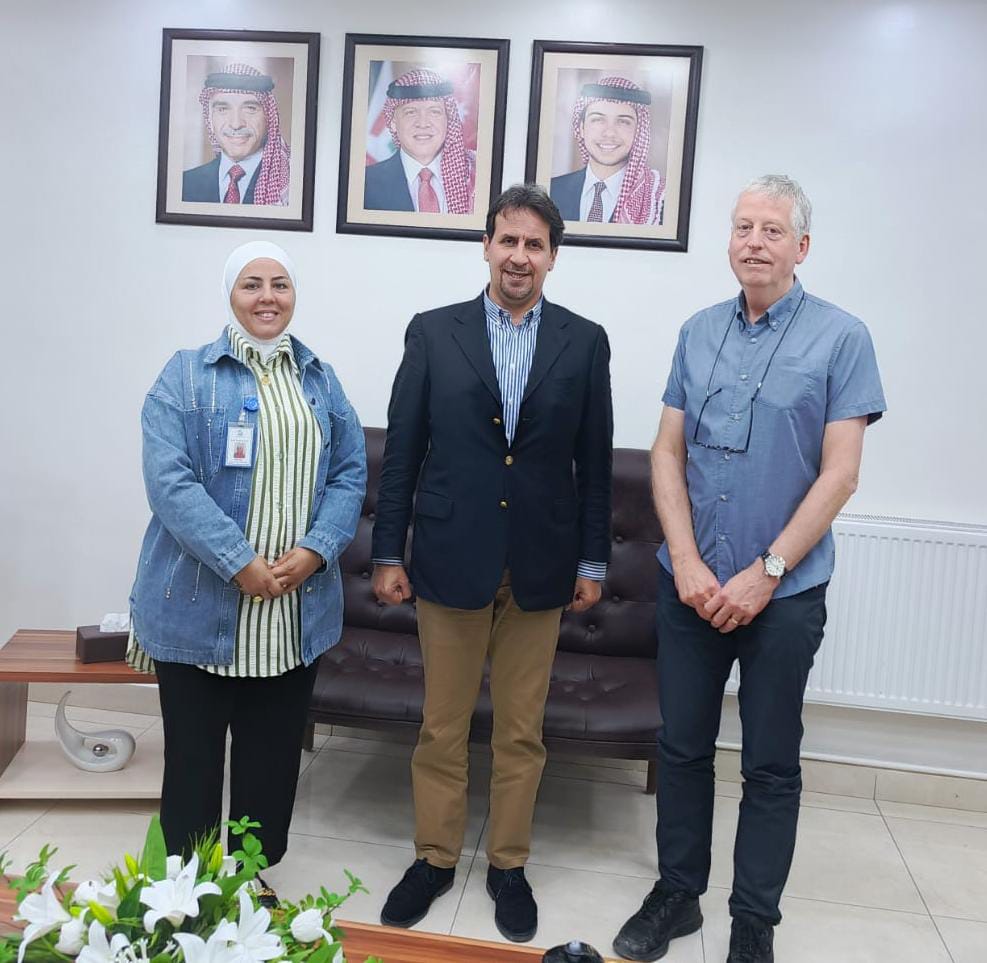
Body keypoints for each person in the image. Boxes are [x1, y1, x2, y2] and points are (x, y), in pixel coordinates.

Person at [612, 175, 886, 963]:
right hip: (690, 587)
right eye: (742, 227)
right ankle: (676, 894)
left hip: (784, 592)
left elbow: (840, 473)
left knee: (769, 762)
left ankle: (752, 920)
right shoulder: (697, 331)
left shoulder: (842, 337)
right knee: (681, 748)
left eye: (771, 229)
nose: (753, 242)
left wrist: (766, 570)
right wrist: (686, 561)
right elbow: (666, 451)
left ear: (801, 247)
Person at [372, 184, 613, 942]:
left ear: (552, 257)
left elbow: (594, 465)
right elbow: (404, 450)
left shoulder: (584, 341)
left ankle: (508, 864)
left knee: (520, 732)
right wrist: (387, 550)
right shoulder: (433, 332)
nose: (519, 256)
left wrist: (593, 561)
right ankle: (434, 858)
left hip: (541, 564)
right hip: (450, 556)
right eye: (507, 240)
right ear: (485, 246)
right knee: (442, 727)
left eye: (534, 245)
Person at [127, 240, 366, 903]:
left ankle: (247, 873)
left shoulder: (319, 379)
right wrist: (239, 562)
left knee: (269, 760)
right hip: (200, 608)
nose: (267, 297)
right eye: (252, 284)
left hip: (291, 613)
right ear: (230, 294)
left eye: (279, 284)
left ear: (294, 295)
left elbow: (350, 471)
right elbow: (169, 482)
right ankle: (186, 891)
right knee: (194, 761)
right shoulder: (185, 375)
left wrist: (316, 548)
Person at [550, 76, 665, 226]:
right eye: (598, 120)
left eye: (623, 122)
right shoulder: (550, 191)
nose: (609, 133)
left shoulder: (658, 200)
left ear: (638, 132)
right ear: (581, 128)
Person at [363, 67, 476, 214]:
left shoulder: (475, 176)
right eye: (411, 112)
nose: (423, 123)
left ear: (449, 119)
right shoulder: (365, 183)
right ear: (393, 122)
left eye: (434, 112)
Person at [182, 63, 291, 205]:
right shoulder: (185, 184)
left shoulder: (291, 184)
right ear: (210, 118)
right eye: (222, 109)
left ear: (268, 117)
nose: (236, 124)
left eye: (250, 108)